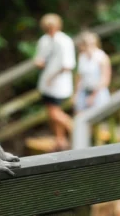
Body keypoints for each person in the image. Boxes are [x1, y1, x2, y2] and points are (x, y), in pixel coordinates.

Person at [34, 13, 76, 151]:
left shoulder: (65, 41)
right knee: (52, 112)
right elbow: (40, 59)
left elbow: (68, 65)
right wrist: (40, 63)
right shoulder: (44, 40)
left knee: (54, 112)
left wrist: (52, 77)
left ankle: (75, 127)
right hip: (46, 83)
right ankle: (60, 140)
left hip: (59, 83)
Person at [73, 31, 111, 114]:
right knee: (80, 116)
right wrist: (76, 93)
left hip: (98, 93)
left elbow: (105, 79)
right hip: (84, 91)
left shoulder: (102, 57)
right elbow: (79, 76)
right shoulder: (82, 56)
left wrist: (93, 96)